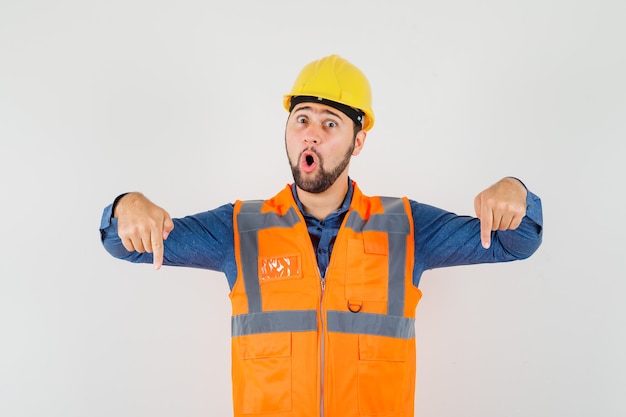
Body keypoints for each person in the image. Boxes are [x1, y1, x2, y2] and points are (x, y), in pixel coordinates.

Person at [100, 54, 543, 417]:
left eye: (330, 123)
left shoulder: (408, 227)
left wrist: (515, 191)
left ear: (358, 141)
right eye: (302, 119)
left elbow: (515, 241)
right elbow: (124, 243)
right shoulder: (237, 229)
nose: (311, 134)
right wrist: (127, 205)